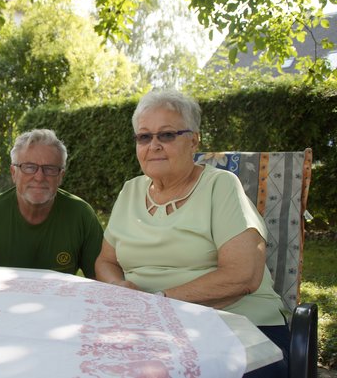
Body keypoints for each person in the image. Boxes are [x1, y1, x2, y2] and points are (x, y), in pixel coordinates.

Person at [94, 90, 288, 378]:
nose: (154, 145)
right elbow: (105, 261)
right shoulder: (129, 191)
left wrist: (159, 301)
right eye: (144, 137)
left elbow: (243, 275)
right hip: (150, 326)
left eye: (167, 135)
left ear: (194, 139)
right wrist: (120, 288)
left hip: (235, 324)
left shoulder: (221, 186)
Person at [0, 129, 103, 278]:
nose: (39, 177)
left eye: (50, 169)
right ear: (14, 173)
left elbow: (101, 279)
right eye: (29, 167)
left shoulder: (81, 215)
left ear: (61, 176)